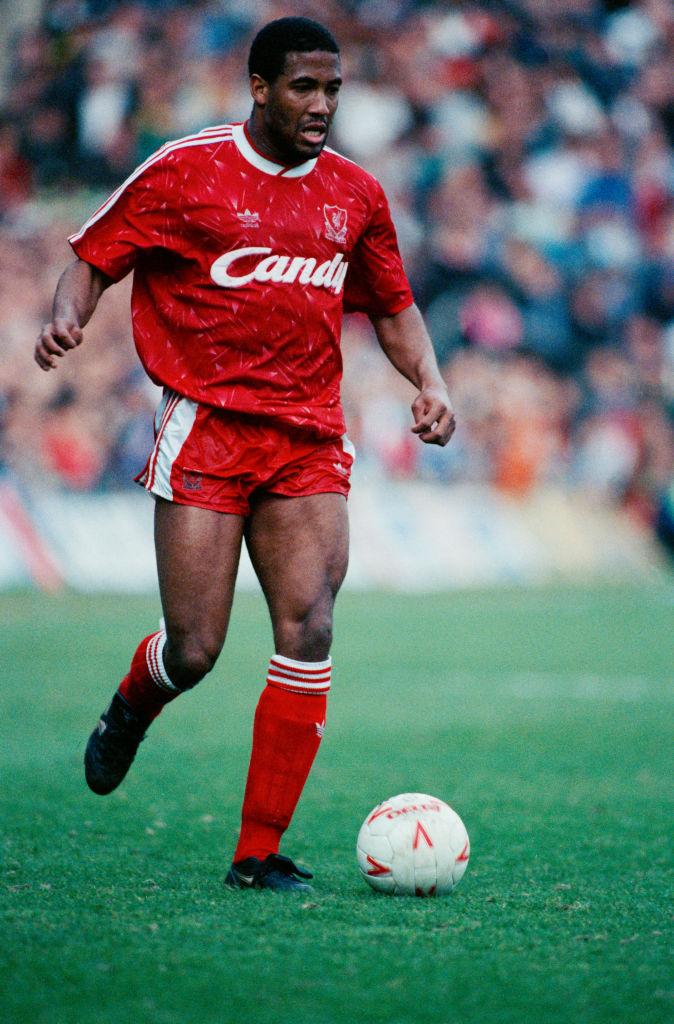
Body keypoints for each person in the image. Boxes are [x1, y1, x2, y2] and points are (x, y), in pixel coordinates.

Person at [35, 17, 456, 893]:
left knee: (310, 625)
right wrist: (69, 314)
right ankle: (134, 701)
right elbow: (94, 254)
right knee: (195, 648)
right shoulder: (185, 169)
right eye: (304, 87)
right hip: (208, 426)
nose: (322, 105)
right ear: (260, 88)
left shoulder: (355, 194)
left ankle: (256, 853)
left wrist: (431, 380)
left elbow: (392, 305)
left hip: (307, 437)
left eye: (333, 88)